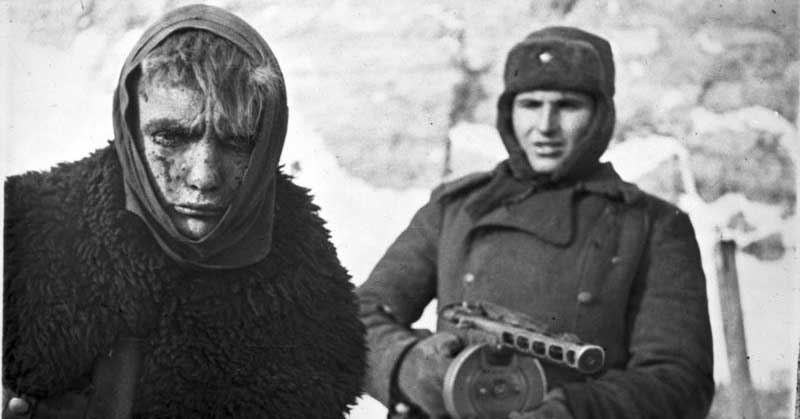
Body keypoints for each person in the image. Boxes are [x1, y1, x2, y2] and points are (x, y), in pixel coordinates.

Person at [3, 4, 364, 418]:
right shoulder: (20, 234)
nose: (204, 176)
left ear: (268, 146)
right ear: (129, 132)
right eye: (171, 137)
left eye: (237, 142)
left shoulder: (307, 288)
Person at [357, 26, 714, 419]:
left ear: (600, 116)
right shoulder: (456, 209)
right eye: (530, 104)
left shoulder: (651, 226)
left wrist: (571, 411)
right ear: (508, 113)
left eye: (567, 105)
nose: (545, 126)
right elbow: (359, 317)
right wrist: (411, 366)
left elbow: (679, 378)